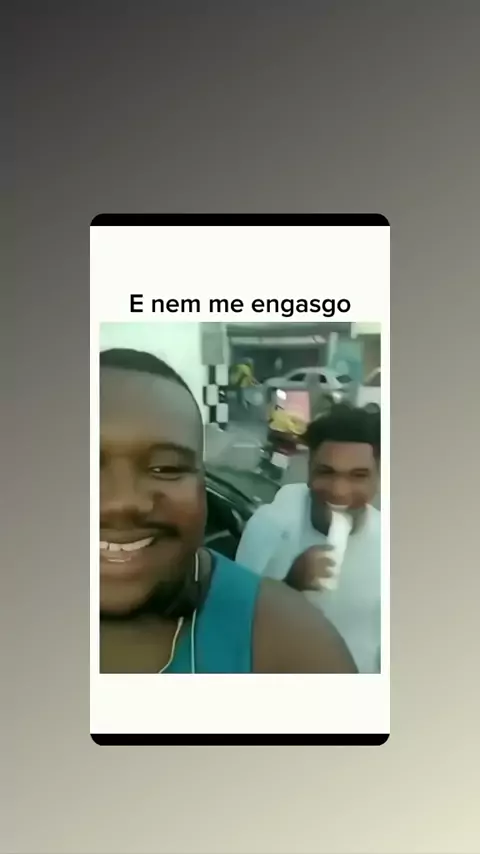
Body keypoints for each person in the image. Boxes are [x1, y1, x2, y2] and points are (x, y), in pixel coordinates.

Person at [99, 348, 356, 674]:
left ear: (201, 483)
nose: (121, 502)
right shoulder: (273, 516)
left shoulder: (295, 647)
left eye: (165, 468)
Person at [236, 405, 381, 673]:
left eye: (358, 476)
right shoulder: (269, 525)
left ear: (378, 478)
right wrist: (289, 586)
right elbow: (234, 621)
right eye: (326, 472)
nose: (339, 491)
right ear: (309, 470)